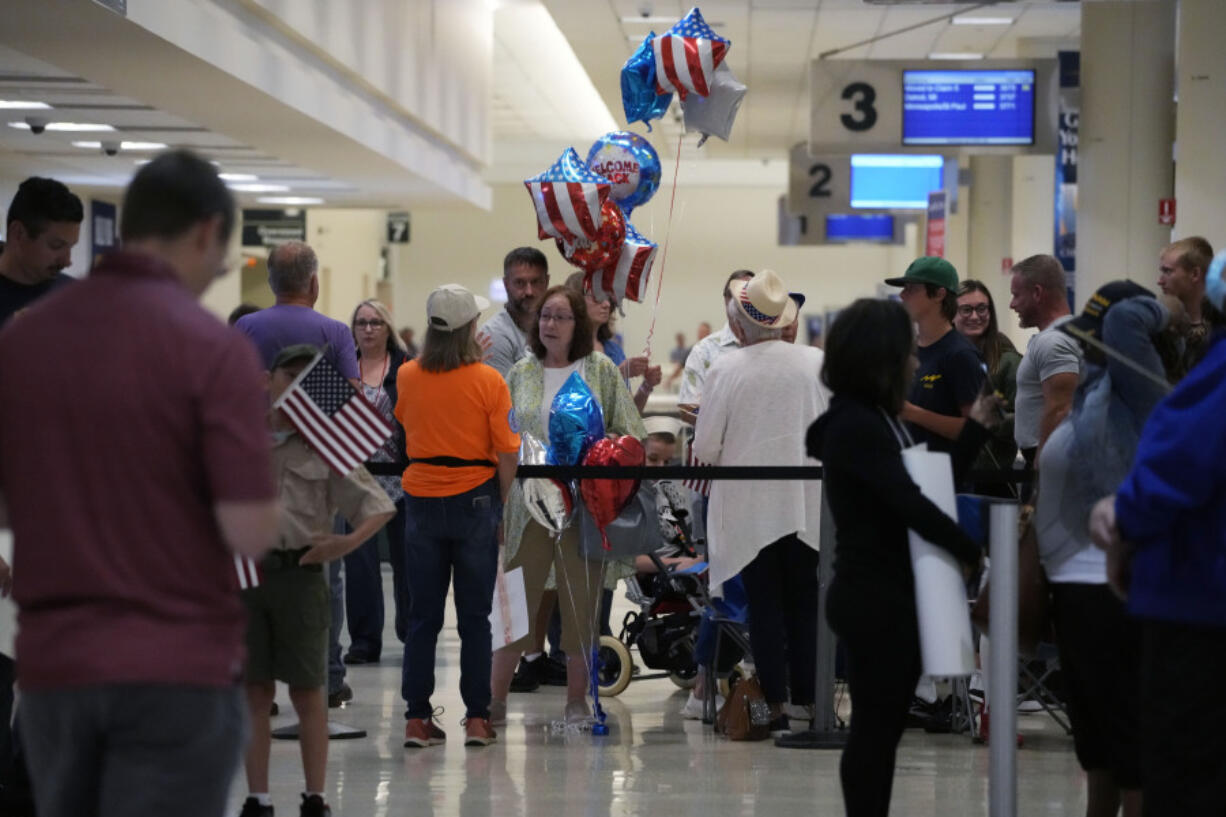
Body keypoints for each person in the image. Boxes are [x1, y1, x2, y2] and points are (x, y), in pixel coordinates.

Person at [0, 150, 279, 817]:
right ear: (207, 231)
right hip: (174, 668)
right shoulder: (213, 351)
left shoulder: (25, 341)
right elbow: (248, 528)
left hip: (54, 668)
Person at [806, 298, 994, 817]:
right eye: (907, 352)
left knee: (882, 732)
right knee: (874, 733)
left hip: (888, 591)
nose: (915, 362)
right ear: (881, 358)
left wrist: (975, 426)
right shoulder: (856, 425)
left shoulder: (875, 421)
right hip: (873, 595)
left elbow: (927, 483)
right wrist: (967, 550)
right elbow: (907, 501)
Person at [1088, 253, 1226, 816]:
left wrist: (1124, 517)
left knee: (1188, 778)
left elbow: (1184, 461)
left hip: (1199, 607)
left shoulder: (1213, 383)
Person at [239, 345, 395, 817]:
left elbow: (378, 507)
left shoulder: (323, 445)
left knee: (309, 691)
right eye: (289, 378)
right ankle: (258, 798)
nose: (296, 390)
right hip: (248, 574)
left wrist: (341, 546)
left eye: (306, 381)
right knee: (255, 692)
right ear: (267, 379)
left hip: (302, 576)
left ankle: (315, 798)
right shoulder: (239, 440)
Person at [1037, 282, 1171, 817]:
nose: (1087, 347)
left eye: (1098, 337)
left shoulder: (1143, 391)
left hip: (1110, 588)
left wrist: (1174, 305)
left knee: (1127, 736)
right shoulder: (1098, 390)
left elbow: (1131, 324)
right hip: (1075, 588)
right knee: (1096, 742)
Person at [489, 286, 645, 726]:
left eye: (560, 317)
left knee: (581, 607)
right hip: (529, 506)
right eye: (545, 317)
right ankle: (494, 701)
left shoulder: (600, 370)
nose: (550, 325)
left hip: (584, 507)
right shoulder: (520, 373)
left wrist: (603, 455)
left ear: (578, 324)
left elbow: (628, 430)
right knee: (515, 603)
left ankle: (577, 701)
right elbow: (501, 441)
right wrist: (499, 507)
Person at [693, 269, 831, 736]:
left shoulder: (725, 369)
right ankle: (810, 703)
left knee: (765, 609)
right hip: (808, 505)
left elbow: (706, 448)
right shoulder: (817, 362)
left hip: (750, 512)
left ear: (739, 324)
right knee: (806, 605)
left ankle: (772, 704)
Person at [394, 284, 520, 748]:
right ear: (471, 328)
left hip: (421, 500)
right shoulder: (490, 381)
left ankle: (416, 717)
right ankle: (477, 719)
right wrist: (500, 502)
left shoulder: (407, 375)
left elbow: (406, 421)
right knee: (475, 619)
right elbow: (508, 454)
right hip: (474, 500)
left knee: (422, 615)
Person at [339, 300, 412, 665]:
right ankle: (364, 641)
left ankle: (410, 631)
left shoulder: (406, 368)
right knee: (360, 565)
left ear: (388, 328)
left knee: (407, 561)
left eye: (375, 323)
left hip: (401, 478)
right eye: (361, 323)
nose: (368, 329)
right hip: (359, 480)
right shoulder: (342, 367)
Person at [885, 257, 985, 457]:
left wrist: (913, 413)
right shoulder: (909, 352)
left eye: (911, 289)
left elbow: (976, 431)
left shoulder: (961, 355)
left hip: (946, 482)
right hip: (909, 475)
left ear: (939, 294)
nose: (903, 295)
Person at [234, 241, 359, 383]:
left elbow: (232, 384)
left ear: (271, 283)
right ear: (314, 283)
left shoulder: (245, 326)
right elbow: (352, 395)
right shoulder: (339, 333)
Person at [1009, 254, 1081, 465]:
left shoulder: (1053, 342)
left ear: (1037, 293)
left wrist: (1041, 473)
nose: (1012, 304)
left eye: (1016, 295)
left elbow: (1061, 409)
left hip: (1051, 459)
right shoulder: (1066, 333)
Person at [955, 280, 1022, 488]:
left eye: (981, 309)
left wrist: (986, 419)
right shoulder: (944, 358)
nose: (975, 316)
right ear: (951, 313)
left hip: (991, 479)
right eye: (966, 310)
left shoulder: (1008, 362)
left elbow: (1025, 420)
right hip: (948, 472)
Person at [565, 272, 661, 412]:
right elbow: (574, 408)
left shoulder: (613, 351)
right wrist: (618, 374)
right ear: (575, 301)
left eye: (607, 298)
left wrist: (646, 386)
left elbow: (629, 416)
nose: (606, 304)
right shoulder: (564, 350)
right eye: (597, 297)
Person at [0, 177, 82, 327]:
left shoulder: (76, 296)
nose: (67, 261)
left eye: (71, 247)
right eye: (56, 246)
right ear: (18, 234)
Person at [677, 271, 754, 426]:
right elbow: (688, 409)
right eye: (740, 295)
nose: (747, 302)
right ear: (727, 300)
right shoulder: (704, 351)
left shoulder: (768, 347)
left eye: (752, 296)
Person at [1157, 236, 1224, 378]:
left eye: (1167, 272)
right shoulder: (1162, 324)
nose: (1160, 281)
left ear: (1194, 274)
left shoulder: (1218, 330)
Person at [478, 247, 549, 378]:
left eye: (535, 282)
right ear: (506, 284)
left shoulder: (556, 325)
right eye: (520, 283)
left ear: (547, 282)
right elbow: (505, 396)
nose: (529, 291)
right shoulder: (493, 335)